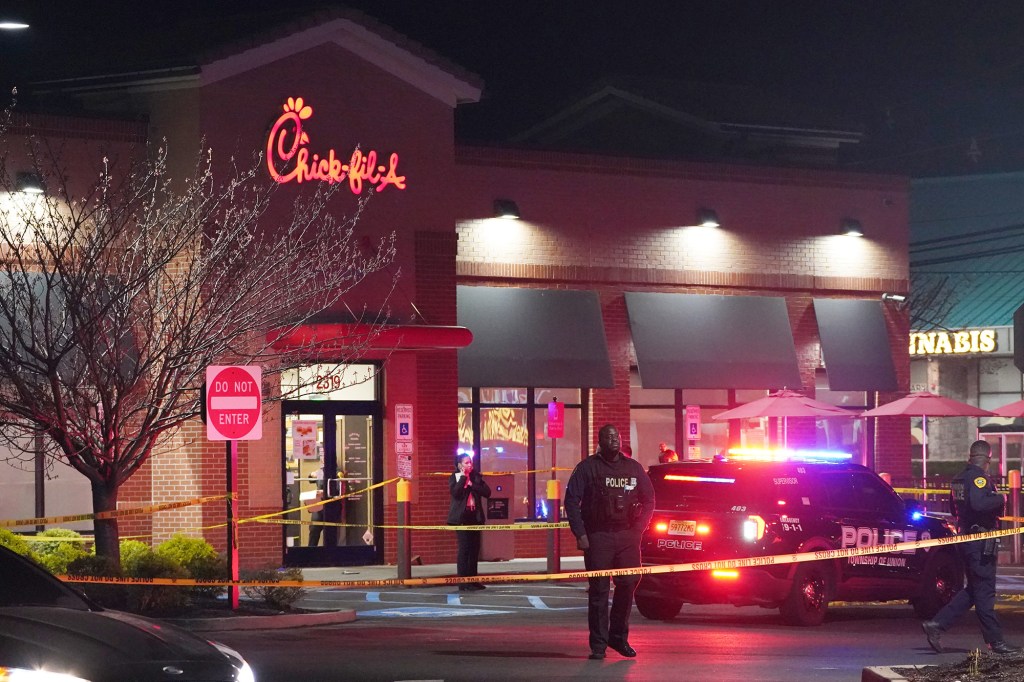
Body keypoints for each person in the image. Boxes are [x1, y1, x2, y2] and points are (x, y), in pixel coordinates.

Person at [565, 424, 655, 660]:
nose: (614, 440)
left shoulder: (633, 468)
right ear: (600, 441)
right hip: (598, 536)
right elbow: (571, 501)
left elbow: (649, 500)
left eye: (616, 436)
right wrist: (581, 534)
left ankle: (618, 637)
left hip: (627, 536)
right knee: (599, 591)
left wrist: (638, 529)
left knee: (628, 584)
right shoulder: (587, 468)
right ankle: (598, 645)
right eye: (608, 436)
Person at [922, 440, 1021, 655]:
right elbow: (979, 504)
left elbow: (952, 508)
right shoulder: (978, 478)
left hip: (966, 540)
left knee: (973, 591)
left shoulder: (958, 478)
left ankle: (937, 625)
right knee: (984, 590)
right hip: (980, 543)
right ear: (987, 459)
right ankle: (996, 642)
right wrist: (1000, 497)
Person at [447, 452, 491, 591]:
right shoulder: (454, 477)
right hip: (462, 518)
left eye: (470, 462)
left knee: (474, 549)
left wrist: (471, 483)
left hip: (475, 516)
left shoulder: (476, 476)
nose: (469, 465)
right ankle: (463, 581)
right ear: (460, 465)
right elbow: (456, 493)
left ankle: (473, 580)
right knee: (464, 549)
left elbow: (487, 492)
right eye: (466, 463)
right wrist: (463, 479)